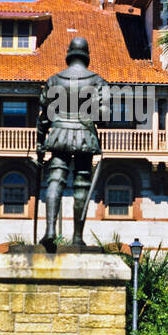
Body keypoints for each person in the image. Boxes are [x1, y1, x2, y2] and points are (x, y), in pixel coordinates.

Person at [36, 37, 109, 249]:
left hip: (59, 133)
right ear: (87, 55)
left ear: (68, 54)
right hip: (84, 135)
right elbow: (103, 117)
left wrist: (40, 143)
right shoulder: (97, 81)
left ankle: (50, 230)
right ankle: (77, 237)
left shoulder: (54, 80)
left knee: (55, 179)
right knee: (82, 183)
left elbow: (44, 117)